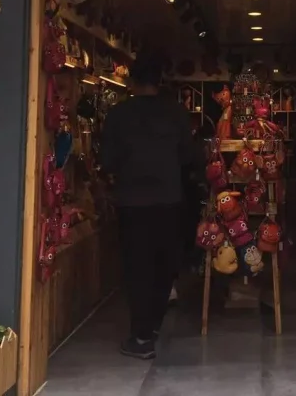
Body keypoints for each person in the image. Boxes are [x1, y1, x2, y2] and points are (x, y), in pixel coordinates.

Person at [101, 51, 198, 360]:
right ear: (160, 80)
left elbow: (108, 161)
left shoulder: (118, 115)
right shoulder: (176, 113)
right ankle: (152, 326)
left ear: (131, 81)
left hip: (132, 202)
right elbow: (189, 157)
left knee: (137, 267)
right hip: (169, 200)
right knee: (165, 265)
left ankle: (141, 336)